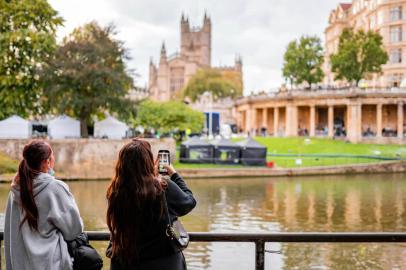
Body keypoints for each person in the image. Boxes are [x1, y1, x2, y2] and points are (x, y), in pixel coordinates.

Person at [106, 139, 196, 270]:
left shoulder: (115, 192)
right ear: (147, 161)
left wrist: (151, 175)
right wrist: (174, 174)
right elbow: (189, 202)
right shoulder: (162, 187)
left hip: (126, 262)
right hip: (163, 262)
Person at [4, 140, 83, 270]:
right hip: (52, 263)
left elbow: (9, 233)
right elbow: (73, 231)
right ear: (47, 162)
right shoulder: (55, 188)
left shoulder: (15, 191)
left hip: (21, 265)